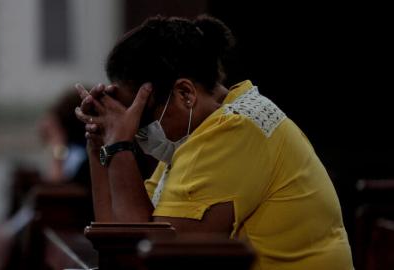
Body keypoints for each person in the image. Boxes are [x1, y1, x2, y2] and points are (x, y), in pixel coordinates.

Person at [75, 15, 353, 270]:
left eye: (140, 117)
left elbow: (144, 259)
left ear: (185, 93)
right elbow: (114, 239)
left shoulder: (233, 131)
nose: (135, 130)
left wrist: (119, 145)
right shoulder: (198, 137)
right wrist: (100, 141)